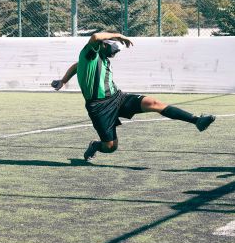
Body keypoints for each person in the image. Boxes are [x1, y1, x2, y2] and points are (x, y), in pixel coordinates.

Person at [52, 32, 216, 162]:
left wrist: (63, 80)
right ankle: (96, 145)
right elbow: (94, 37)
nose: (115, 53)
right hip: (99, 107)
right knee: (110, 147)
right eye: (113, 49)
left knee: (153, 103)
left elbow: (76, 66)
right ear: (103, 45)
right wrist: (119, 35)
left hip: (118, 97)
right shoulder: (90, 53)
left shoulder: (99, 59)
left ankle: (197, 121)